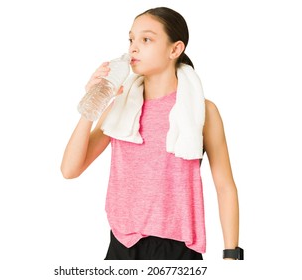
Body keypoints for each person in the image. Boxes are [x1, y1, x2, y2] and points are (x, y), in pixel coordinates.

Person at [61, 7, 242, 260]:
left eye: (146, 39)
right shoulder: (120, 106)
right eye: (131, 39)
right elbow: (70, 169)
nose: (133, 48)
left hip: (177, 249)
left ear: (175, 49)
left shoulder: (202, 110)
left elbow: (224, 187)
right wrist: (93, 101)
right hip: (122, 246)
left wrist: (231, 255)